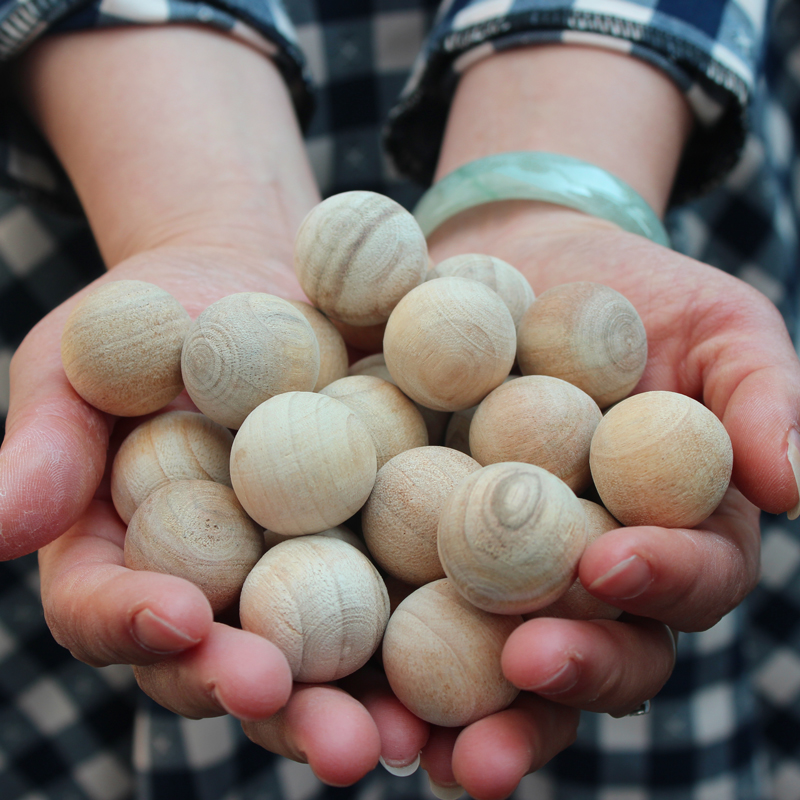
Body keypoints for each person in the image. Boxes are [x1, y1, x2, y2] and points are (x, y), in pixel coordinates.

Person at [0, 0, 798, 798]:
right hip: (104, 160)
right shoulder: (256, 418)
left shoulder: (523, 389)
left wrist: (544, 182)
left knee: (582, 623)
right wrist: (192, 207)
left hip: (628, 121)